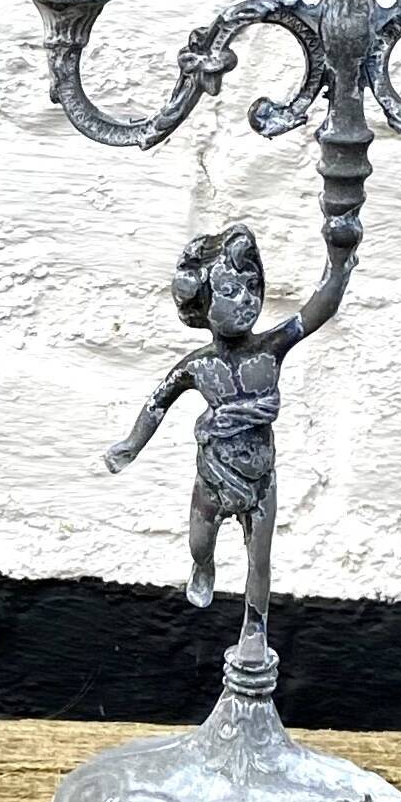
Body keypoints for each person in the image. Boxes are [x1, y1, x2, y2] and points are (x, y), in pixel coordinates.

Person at [104, 224, 306, 631]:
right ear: (202, 304)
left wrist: (338, 264)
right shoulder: (199, 366)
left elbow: (321, 306)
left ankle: (255, 626)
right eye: (231, 292)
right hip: (212, 474)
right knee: (199, 539)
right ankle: (203, 565)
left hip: (260, 478)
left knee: (259, 559)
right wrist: (130, 444)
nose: (248, 299)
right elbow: (157, 403)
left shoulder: (271, 349)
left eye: (253, 285)